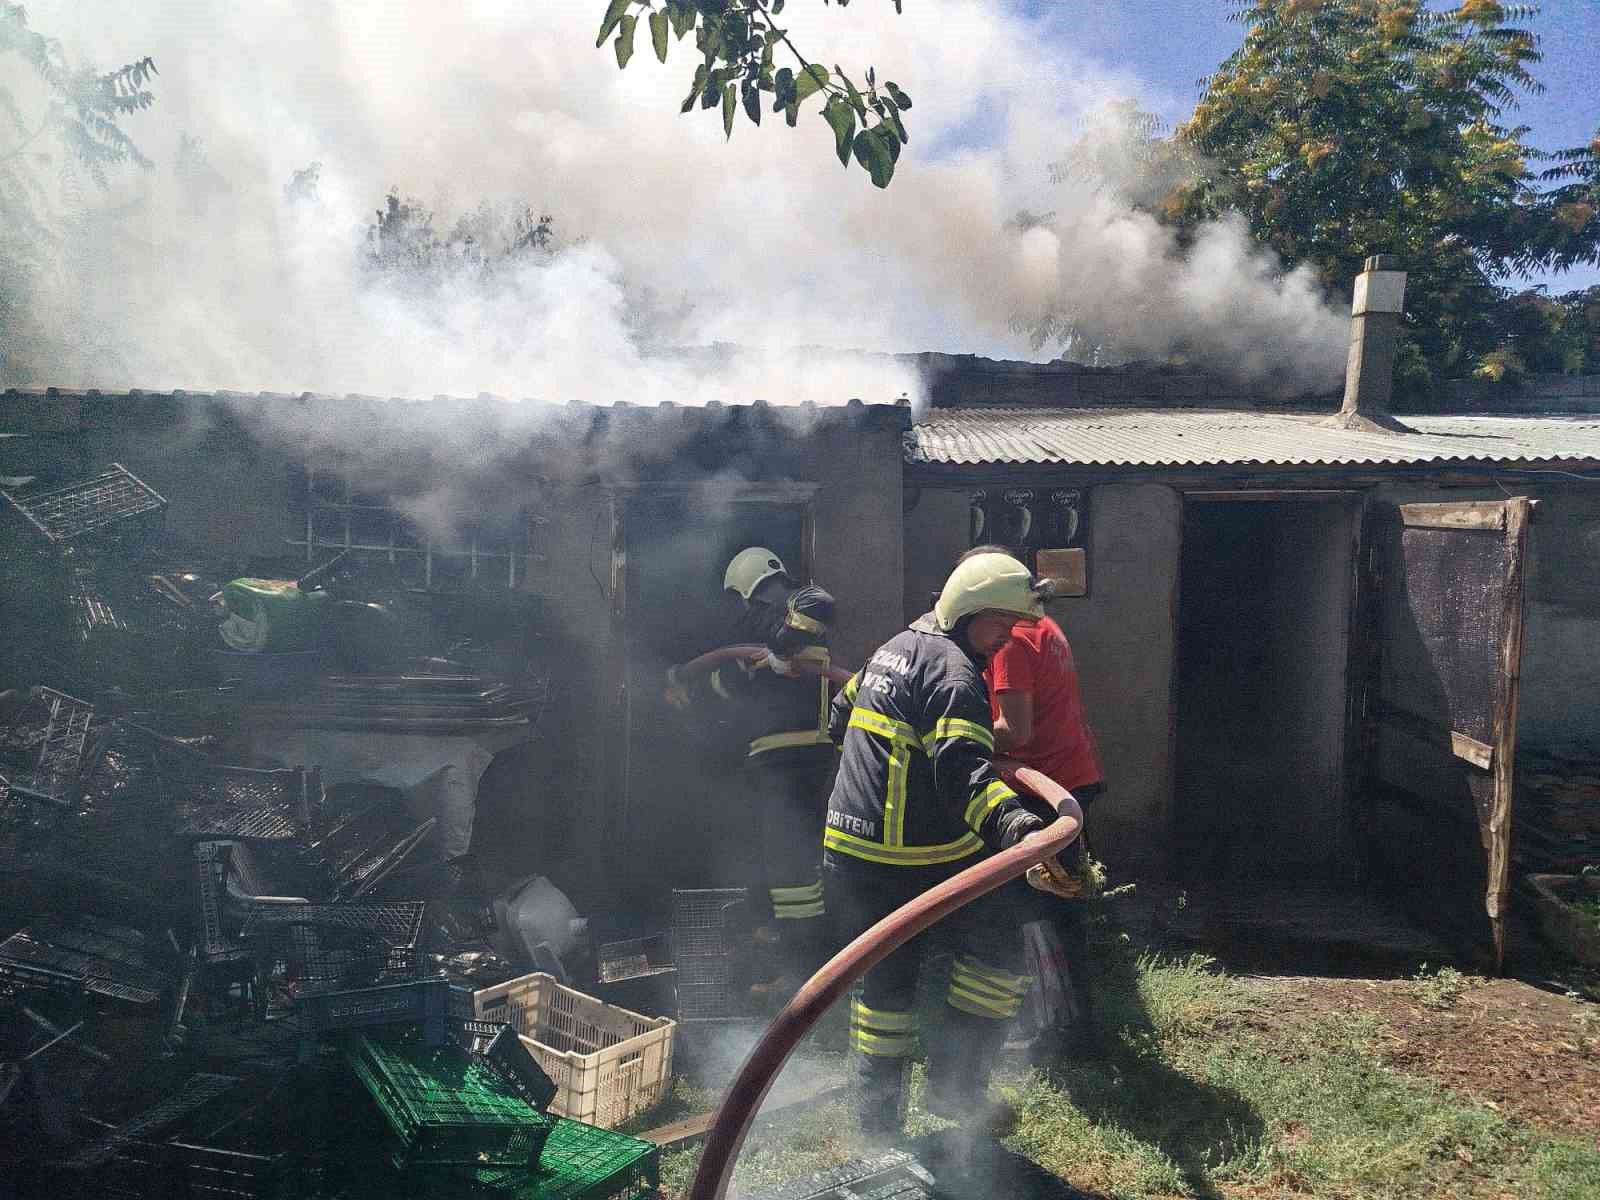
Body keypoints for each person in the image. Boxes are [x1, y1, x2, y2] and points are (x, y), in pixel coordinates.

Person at [824, 550, 1083, 1137]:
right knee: (997, 958)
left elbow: (840, 718)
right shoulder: (957, 676)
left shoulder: (894, 647)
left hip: (850, 852)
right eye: (1000, 624)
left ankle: (875, 1122)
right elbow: (964, 773)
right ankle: (958, 1090)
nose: (1005, 640)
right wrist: (1024, 833)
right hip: (913, 859)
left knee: (884, 986)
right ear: (969, 611)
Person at [664, 546, 838, 1002]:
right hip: (785, 760)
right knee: (779, 860)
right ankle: (781, 959)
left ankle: (806, 974)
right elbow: (738, 683)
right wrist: (692, 686)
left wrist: (780, 650)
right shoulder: (769, 624)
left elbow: (819, 604)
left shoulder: (795, 605)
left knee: (792, 869)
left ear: (746, 588)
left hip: (790, 759)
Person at [962, 544, 1106, 1053]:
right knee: (1060, 908)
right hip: (1071, 779)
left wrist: (957, 739)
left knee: (1034, 910)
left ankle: (1058, 1032)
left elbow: (1015, 730)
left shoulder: (1012, 640)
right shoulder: (1044, 626)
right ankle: (1072, 1028)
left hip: (1043, 793)